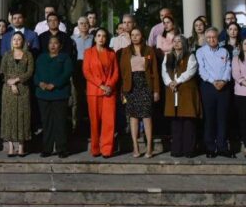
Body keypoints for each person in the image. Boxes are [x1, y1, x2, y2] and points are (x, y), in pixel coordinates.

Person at [119, 27, 160, 158]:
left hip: (145, 86)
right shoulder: (125, 51)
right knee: (133, 117)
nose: (135, 37)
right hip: (131, 87)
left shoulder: (149, 50)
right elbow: (122, 73)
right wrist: (123, 91)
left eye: (137, 34)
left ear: (142, 36)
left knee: (147, 117)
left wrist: (156, 91)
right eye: (133, 35)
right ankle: (135, 148)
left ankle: (149, 148)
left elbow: (155, 72)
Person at [83, 28, 119, 158]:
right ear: (95, 38)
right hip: (94, 91)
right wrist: (101, 85)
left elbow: (116, 72)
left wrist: (109, 85)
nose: (101, 38)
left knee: (109, 122)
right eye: (98, 35)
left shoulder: (111, 53)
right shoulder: (88, 53)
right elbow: (87, 72)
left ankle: (107, 150)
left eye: (104, 36)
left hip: (109, 92)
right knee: (95, 122)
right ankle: (95, 149)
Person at [34, 36, 73, 158]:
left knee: (60, 122)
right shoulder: (41, 57)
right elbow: (35, 74)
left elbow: (67, 73)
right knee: (46, 123)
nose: (53, 45)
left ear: (60, 46)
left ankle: (62, 148)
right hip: (43, 94)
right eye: (50, 43)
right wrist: (40, 83)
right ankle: (47, 148)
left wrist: (54, 84)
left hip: (59, 94)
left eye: (56, 43)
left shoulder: (65, 57)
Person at [161, 34, 199, 158]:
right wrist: (169, 82)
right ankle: (176, 150)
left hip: (186, 91)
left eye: (179, 41)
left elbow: (191, 71)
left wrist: (178, 81)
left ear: (184, 43)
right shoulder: (168, 56)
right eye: (175, 41)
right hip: (173, 92)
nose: (177, 43)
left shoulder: (190, 56)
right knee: (176, 123)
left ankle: (189, 151)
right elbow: (164, 71)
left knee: (188, 122)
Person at [198, 27, 232, 158]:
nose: (212, 40)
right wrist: (214, 82)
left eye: (214, 37)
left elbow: (228, 68)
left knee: (222, 118)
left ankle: (222, 147)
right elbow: (202, 70)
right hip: (208, 86)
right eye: (209, 38)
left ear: (218, 38)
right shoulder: (201, 52)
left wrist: (223, 81)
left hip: (224, 87)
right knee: (209, 118)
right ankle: (210, 147)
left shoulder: (224, 51)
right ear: (206, 39)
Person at [0, 31, 35, 157]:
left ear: (23, 41)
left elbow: (30, 72)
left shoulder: (28, 55)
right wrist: (12, 83)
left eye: (19, 39)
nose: (16, 41)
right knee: (9, 116)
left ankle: (21, 147)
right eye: (14, 39)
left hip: (23, 89)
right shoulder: (7, 55)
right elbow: (3, 72)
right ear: (11, 41)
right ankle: (10, 147)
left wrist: (17, 80)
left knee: (22, 116)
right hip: (8, 90)